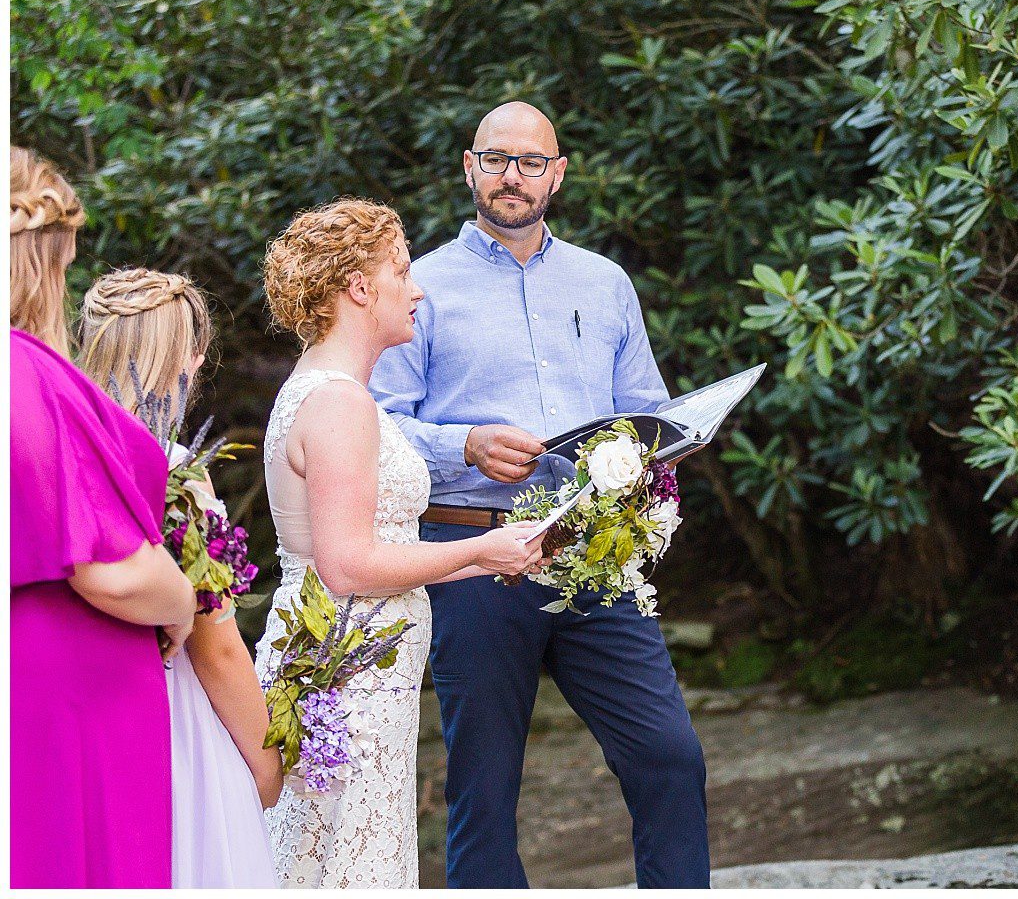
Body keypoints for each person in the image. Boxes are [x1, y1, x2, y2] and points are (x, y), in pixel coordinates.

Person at [370, 102, 710, 888]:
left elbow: (645, 409)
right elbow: (374, 427)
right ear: (469, 168)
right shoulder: (417, 288)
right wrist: (463, 443)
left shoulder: (605, 281)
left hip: (595, 560)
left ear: (557, 174)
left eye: (529, 162)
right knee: (483, 792)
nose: (511, 176)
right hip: (472, 559)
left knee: (669, 757)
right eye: (495, 160)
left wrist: (659, 452)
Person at [253, 197, 544, 888]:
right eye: (402, 270)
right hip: (345, 671)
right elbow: (348, 564)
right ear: (359, 287)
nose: (417, 290)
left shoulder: (333, 392)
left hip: (358, 666)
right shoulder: (338, 403)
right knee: (349, 865)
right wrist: (481, 552)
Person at [9, 147, 197, 887]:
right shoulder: (23, 370)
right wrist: (180, 601)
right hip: (68, 698)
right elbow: (112, 571)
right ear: (45, 260)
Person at [78, 267, 281, 887]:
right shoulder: (172, 470)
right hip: (172, 716)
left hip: (86, 712)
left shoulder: (68, 449)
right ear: (183, 357)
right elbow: (215, 642)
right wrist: (266, 760)